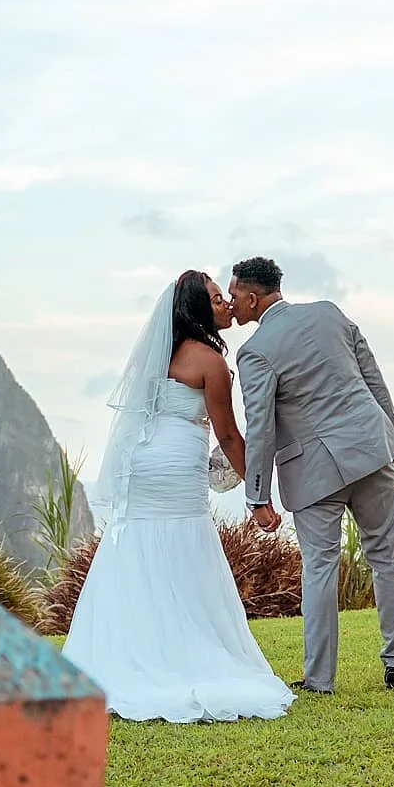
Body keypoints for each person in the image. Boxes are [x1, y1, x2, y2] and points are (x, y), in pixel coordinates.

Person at [63, 271, 295, 723]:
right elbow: (228, 436)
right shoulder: (210, 362)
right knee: (186, 549)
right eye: (215, 300)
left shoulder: (158, 356)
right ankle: (182, 657)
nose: (226, 304)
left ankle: (127, 656)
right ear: (198, 311)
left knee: (136, 548)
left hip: (142, 465)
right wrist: (258, 496)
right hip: (176, 467)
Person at [230, 256, 394, 695]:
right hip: (372, 450)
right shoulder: (329, 312)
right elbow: (373, 377)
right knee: (387, 558)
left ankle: (319, 679)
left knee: (319, 568)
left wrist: (258, 496)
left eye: (234, 295)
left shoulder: (254, 351)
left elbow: (260, 428)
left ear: (253, 298)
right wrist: (393, 439)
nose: (231, 303)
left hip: (314, 473)